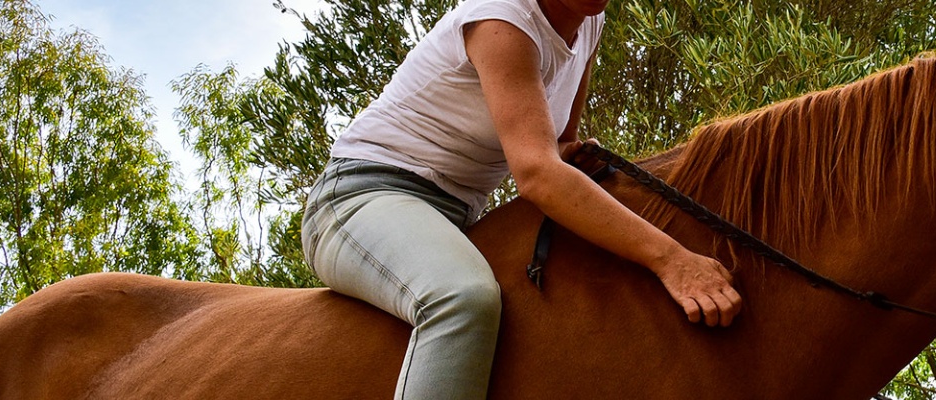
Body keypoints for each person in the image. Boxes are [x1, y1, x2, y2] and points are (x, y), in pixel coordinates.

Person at [297, 0, 743, 399]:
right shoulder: (502, 18)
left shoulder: (588, 19)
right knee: (462, 301)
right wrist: (672, 258)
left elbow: (561, 144)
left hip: (455, 214)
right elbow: (536, 174)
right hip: (363, 196)